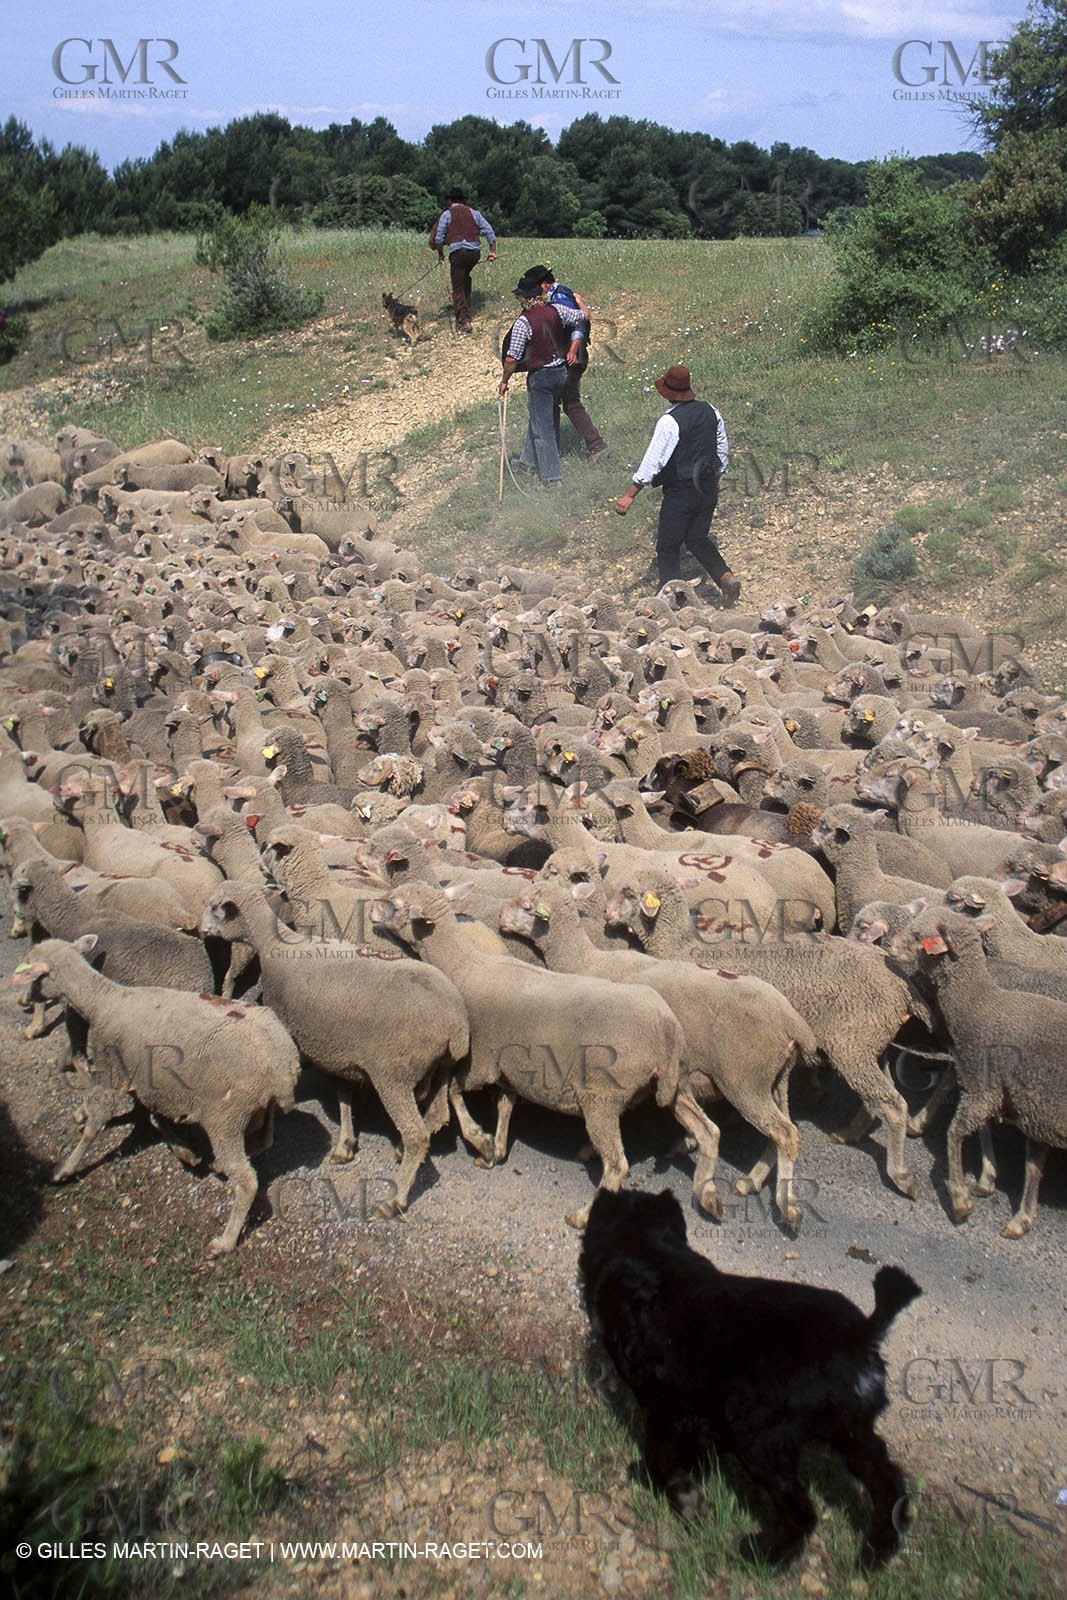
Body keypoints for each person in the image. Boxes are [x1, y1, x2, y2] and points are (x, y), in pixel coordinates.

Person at [614, 364, 740, 605]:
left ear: (668, 393)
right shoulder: (711, 411)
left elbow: (654, 460)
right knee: (697, 538)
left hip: (681, 490)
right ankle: (725, 577)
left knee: (668, 546)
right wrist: (715, 478)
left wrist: (630, 494)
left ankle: (673, 601)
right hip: (707, 485)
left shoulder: (669, 421)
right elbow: (722, 448)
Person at [498, 275, 587, 490]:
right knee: (539, 417)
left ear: (524, 298)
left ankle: (551, 479)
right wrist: (582, 305)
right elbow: (581, 317)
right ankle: (527, 463)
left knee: (543, 428)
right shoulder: (557, 310)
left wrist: (504, 380)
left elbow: (511, 358)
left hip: (541, 376)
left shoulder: (523, 322)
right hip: (561, 373)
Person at [523, 264, 606, 461]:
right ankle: (547, 453)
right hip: (568, 355)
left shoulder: (560, 297)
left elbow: (579, 322)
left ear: (544, 284)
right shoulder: (557, 296)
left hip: (571, 356)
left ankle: (596, 445)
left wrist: (572, 349)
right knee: (554, 402)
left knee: (569, 402)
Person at [429, 188, 496, 335]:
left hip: (458, 253)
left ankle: (464, 320)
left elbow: (438, 238)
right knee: (465, 277)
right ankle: (466, 306)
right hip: (474, 253)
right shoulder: (474, 213)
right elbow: (489, 231)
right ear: (463, 200)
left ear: (450, 200)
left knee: (457, 286)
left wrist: (440, 255)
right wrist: (492, 251)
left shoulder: (447, 214)